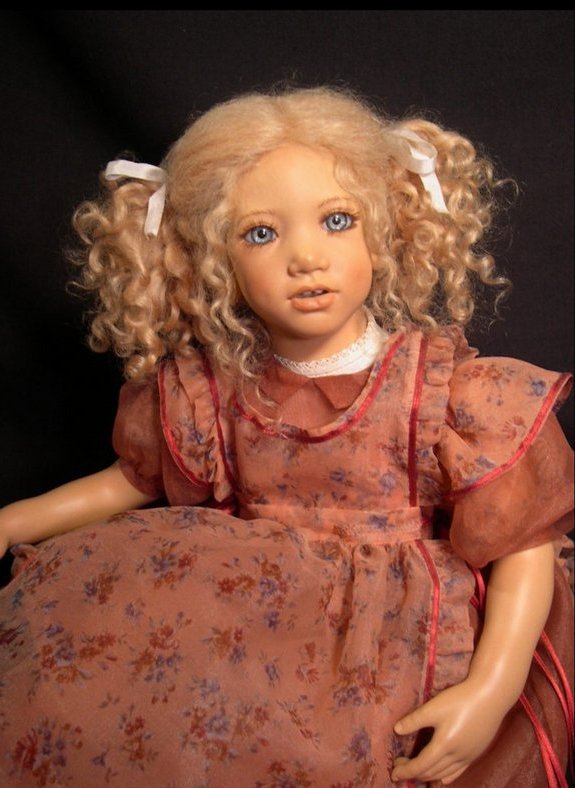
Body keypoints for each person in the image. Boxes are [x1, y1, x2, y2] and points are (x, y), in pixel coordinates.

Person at [0, 85, 572, 788]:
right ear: (212, 262)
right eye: (261, 234)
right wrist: (13, 522)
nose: (306, 258)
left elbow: (523, 544)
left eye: (337, 221)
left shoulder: (448, 392)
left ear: (385, 230)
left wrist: (491, 689)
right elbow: (132, 481)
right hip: (251, 618)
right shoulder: (212, 390)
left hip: (390, 632)